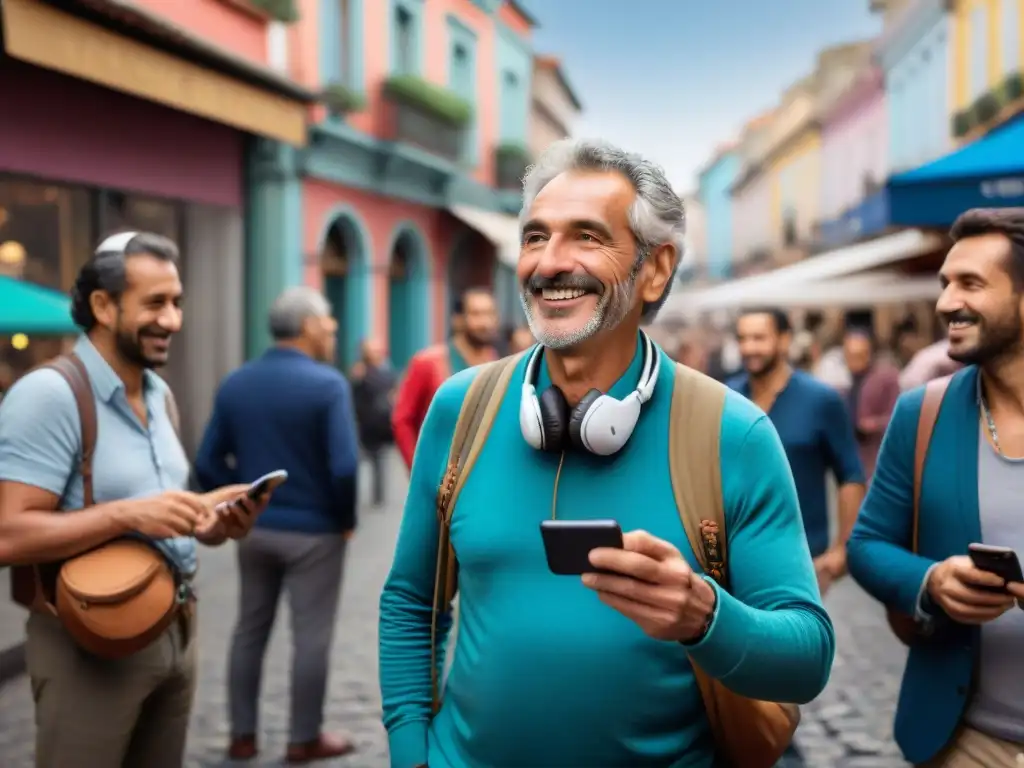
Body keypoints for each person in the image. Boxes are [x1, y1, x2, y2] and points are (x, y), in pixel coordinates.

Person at [379, 138, 834, 768]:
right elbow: (410, 603)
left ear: (656, 268)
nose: (549, 263)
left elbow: (807, 657)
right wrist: (411, 754)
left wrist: (706, 616)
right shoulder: (463, 409)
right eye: (535, 237)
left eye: (586, 237)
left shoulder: (734, 434)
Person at [0, 231, 265, 768]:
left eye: (177, 303)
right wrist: (127, 513)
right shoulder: (49, 394)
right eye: (155, 304)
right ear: (102, 305)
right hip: (86, 643)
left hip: (175, 630)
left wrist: (207, 519)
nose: (172, 320)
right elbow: (8, 535)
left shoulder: (160, 393)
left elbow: (156, 511)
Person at [848, 208, 1024, 767]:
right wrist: (932, 580)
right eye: (946, 283)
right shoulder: (923, 412)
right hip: (966, 740)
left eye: (971, 283)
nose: (946, 301)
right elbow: (867, 545)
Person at [194, 287, 359, 763]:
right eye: (327, 323)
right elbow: (345, 467)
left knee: (249, 629)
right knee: (311, 634)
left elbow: (207, 461)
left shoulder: (237, 382)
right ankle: (302, 739)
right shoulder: (328, 385)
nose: (332, 331)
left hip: (255, 531)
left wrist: (236, 503)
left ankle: (242, 737)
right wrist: (344, 520)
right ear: (308, 326)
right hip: (316, 532)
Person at [729, 308, 865, 595]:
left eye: (758, 338)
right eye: (742, 338)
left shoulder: (821, 399)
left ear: (784, 340)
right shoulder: (726, 398)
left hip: (802, 559)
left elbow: (850, 475)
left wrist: (842, 549)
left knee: (797, 638)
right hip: (735, 555)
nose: (749, 347)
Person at [391, 288, 498, 469]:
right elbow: (402, 420)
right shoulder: (428, 362)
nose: (485, 323)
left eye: (490, 314)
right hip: (439, 478)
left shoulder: (496, 362)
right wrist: (418, 472)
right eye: (476, 314)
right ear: (457, 320)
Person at [842, 327, 900, 481]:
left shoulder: (887, 377)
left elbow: (897, 417)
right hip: (853, 459)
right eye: (850, 356)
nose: (854, 361)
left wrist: (871, 425)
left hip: (879, 459)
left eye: (859, 355)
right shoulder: (844, 383)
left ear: (869, 353)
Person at [351, 338, 397, 507]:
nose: (376, 353)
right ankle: (351, 495)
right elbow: (354, 395)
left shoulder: (386, 372)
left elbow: (392, 391)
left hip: (380, 425)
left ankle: (378, 497)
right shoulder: (359, 372)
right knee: (356, 461)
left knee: (379, 462)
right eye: (372, 350)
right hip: (363, 425)